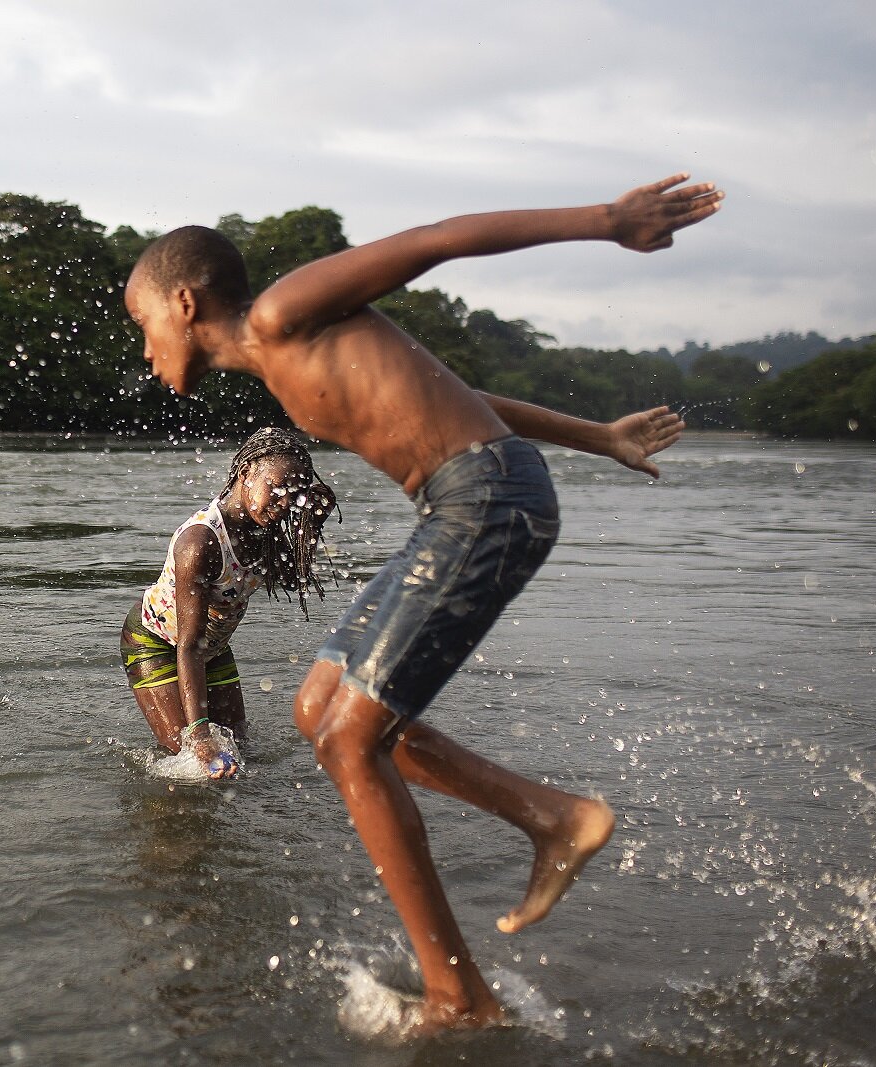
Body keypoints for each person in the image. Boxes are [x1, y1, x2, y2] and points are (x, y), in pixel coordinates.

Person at [123, 174, 722, 1034]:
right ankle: (551, 818)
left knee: (352, 739)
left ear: (184, 303)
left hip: (486, 498)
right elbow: (469, 397)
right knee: (317, 711)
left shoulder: (284, 312)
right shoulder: (284, 380)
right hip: (466, 502)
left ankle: (460, 997)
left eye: (143, 325)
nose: (144, 352)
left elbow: (439, 237)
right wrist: (599, 435)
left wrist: (608, 222)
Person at [121, 427, 337, 778]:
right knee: (187, 759)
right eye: (276, 489)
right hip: (158, 642)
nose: (284, 504)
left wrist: (311, 524)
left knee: (240, 754)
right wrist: (199, 734)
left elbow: (288, 578)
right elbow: (187, 646)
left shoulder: (262, 524)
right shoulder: (200, 543)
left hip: (211, 647)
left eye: (293, 495)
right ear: (246, 472)